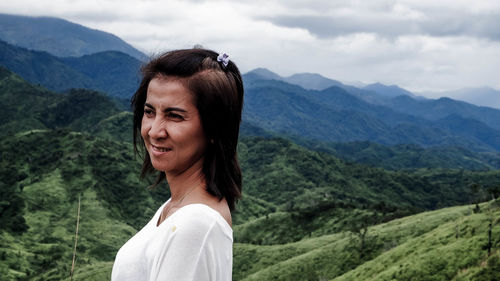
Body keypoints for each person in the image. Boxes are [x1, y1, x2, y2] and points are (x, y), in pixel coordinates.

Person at [111, 48, 244, 281]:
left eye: (175, 116)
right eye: (149, 112)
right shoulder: (174, 208)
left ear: (214, 128)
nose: (154, 131)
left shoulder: (197, 224)